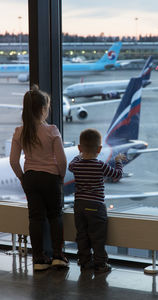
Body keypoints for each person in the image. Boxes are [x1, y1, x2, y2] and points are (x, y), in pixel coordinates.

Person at [10, 84, 69, 271]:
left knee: (35, 218)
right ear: (43, 109)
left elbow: (13, 161)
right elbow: (61, 160)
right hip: (50, 178)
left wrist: (22, 178)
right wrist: (60, 176)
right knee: (55, 216)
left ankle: (38, 259)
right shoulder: (51, 130)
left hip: (31, 178)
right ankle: (58, 256)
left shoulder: (19, 132)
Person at [68, 128, 125, 273]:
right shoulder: (100, 165)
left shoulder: (76, 165)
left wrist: (79, 155)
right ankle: (100, 264)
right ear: (99, 149)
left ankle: (85, 262)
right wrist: (118, 161)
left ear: (80, 148)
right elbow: (117, 175)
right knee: (98, 237)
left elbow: (70, 165)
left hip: (79, 206)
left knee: (82, 235)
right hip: (95, 206)